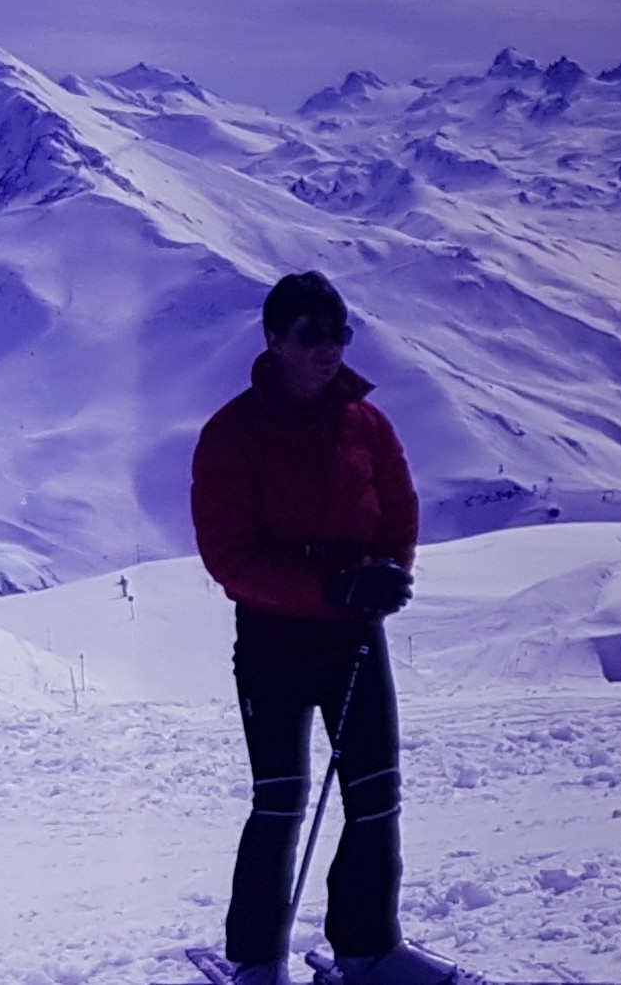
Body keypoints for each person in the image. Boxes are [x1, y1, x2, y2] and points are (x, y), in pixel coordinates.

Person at [191, 272, 466, 985]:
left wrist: (388, 572)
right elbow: (229, 555)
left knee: (375, 793)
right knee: (280, 799)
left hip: (352, 630)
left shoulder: (365, 424)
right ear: (273, 340)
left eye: (338, 333)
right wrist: (329, 586)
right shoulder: (232, 433)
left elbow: (397, 507)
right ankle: (256, 958)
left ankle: (368, 948)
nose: (329, 349)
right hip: (274, 636)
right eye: (311, 334)